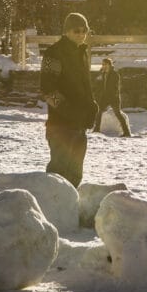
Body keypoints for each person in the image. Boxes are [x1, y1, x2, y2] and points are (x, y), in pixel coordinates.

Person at [39, 13, 98, 186]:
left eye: (84, 30)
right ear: (66, 31)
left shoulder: (81, 53)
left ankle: (68, 211)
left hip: (79, 126)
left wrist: (91, 106)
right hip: (61, 127)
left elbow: (83, 86)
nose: (81, 34)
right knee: (58, 177)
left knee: (75, 176)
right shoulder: (54, 53)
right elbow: (48, 89)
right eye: (77, 30)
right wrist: (69, 111)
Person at [96, 57, 131, 137]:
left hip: (113, 97)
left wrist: (112, 95)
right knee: (99, 111)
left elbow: (115, 87)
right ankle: (96, 129)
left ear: (109, 65)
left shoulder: (115, 74)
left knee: (118, 114)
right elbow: (100, 83)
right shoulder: (103, 73)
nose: (103, 66)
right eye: (102, 64)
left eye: (105, 64)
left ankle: (126, 132)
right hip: (105, 97)